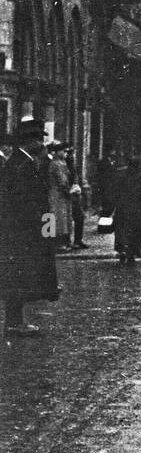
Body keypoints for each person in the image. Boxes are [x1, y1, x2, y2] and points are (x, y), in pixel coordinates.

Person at [0, 120, 59, 335]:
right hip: (22, 233)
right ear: (31, 141)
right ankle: (14, 324)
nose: (42, 143)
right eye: (39, 139)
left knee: (19, 276)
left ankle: (15, 322)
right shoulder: (22, 166)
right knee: (17, 276)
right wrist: (44, 232)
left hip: (23, 232)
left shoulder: (23, 163)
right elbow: (28, 204)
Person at [113, 157, 141, 263]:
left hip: (122, 208)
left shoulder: (121, 175)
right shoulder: (140, 177)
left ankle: (122, 250)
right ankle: (131, 252)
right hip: (136, 209)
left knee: (122, 230)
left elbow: (115, 192)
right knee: (135, 232)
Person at [46, 141, 73, 248]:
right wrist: (69, 190)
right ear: (57, 152)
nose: (65, 153)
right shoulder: (56, 164)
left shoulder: (60, 163)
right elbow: (62, 180)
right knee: (58, 219)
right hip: (57, 194)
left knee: (61, 219)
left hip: (59, 194)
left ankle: (61, 242)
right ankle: (59, 243)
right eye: (63, 151)